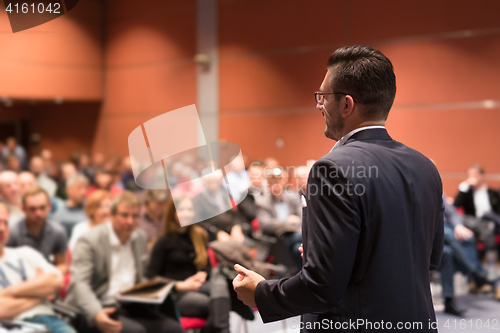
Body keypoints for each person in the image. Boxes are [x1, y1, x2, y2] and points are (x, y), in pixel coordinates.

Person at [233, 46, 444, 332]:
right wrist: (333, 251)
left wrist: (260, 292)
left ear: (346, 105)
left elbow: (323, 288)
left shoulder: (331, 169)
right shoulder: (424, 166)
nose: (319, 104)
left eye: (323, 96)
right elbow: (430, 257)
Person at [64, 191, 182, 333]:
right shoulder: (89, 241)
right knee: (135, 331)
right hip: (98, 306)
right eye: (124, 215)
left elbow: (142, 277)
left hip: (130, 304)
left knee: (172, 328)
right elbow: (80, 284)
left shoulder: (139, 237)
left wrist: (168, 287)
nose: (130, 221)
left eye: (135, 216)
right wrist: (96, 313)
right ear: (112, 215)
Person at [146, 195, 231, 333]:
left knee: (220, 284)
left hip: (199, 285)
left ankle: (222, 330)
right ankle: (224, 330)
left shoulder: (199, 235)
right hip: (177, 293)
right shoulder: (163, 241)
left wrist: (202, 274)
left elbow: (208, 267)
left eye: (189, 209)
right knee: (217, 304)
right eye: (182, 209)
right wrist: (181, 285)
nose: (186, 213)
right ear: (173, 213)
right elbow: (151, 278)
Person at [0, 202, 76, 333]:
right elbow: (1, 310)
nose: (2, 228)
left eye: (5, 223)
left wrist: (8, 292)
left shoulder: (26, 253)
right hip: (13, 325)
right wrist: (40, 293)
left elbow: (57, 281)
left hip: (49, 319)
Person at [7, 187, 69, 275]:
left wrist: (47, 275)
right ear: (23, 209)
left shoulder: (58, 231)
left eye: (42, 208)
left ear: (49, 206)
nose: (38, 213)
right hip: (18, 279)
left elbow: (63, 265)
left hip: (46, 278)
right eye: (32, 209)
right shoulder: (12, 232)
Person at [51, 173, 89, 237]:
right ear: (68, 190)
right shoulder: (59, 215)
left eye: (85, 188)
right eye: (79, 188)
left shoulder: (91, 208)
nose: (83, 192)